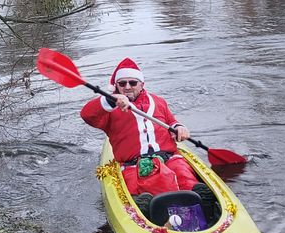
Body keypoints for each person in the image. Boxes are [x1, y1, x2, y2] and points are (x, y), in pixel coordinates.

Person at [79, 57, 206, 206]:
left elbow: (171, 122)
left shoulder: (158, 101)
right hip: (133, 164)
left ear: (141, 84)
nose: (127, 87)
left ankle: (201, 196)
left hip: (169, 157)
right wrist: (111, 100)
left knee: (185, 176)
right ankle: (145, 206)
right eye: (122, 83)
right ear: (117, 86)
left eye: (132, 83)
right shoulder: (109, 109)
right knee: (140, 190)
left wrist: (179, 127)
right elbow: (87, 115)